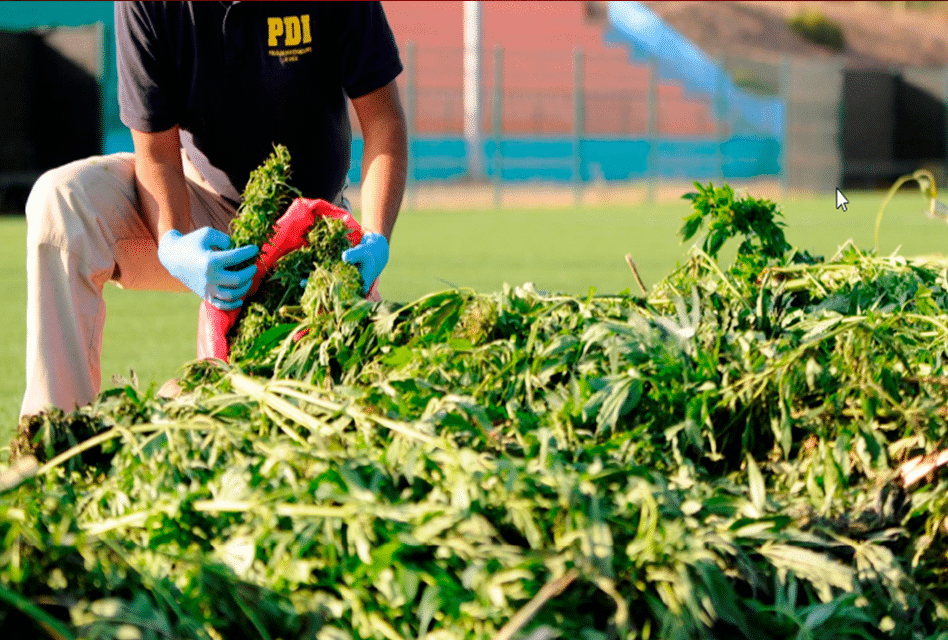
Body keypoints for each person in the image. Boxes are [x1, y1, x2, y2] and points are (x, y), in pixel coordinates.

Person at [19, 1, 407, 420]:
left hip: (310, 237)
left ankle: (180, 403)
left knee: (310, 409)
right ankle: (53, 439)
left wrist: (375, 235)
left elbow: (384, 120)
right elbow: (157, 154)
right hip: (198, 204)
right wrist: (173, 241)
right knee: (61, 200)